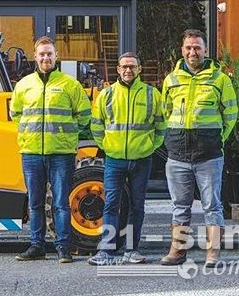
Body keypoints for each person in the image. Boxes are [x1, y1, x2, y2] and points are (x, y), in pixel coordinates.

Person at [10, 36, 91, 264]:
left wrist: (66, 135)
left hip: (61, 154)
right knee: (35, 203)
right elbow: (15, 114)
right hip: (32, 152)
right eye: (42, 54)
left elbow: (84, 115)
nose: (46, 57)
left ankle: (63, 247)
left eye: (49, 54)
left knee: (61, 203)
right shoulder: (24, 85)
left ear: (56, 56)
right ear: (35, 57)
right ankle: (37, 245)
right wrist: (30, 134)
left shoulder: (70, 85)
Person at [160, 29, 238, 267]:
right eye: (188, 47)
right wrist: (173, 138)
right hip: (178, 155)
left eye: (197, 47)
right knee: (179, 207)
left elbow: (231, 114)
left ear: (205, 50)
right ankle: (177, 251)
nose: (192, 52)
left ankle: (212, 253)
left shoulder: (220, 79)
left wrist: (216, 138)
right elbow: (165, 112)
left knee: (212, 206)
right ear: (182, 50)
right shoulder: (171, 80)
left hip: (209, 155)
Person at [87, 52, 166, 266]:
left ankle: (132, 250)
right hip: (114, 160)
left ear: (139, 69)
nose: (128, 70)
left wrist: (149, 147)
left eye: (132, 66)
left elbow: (161, 127)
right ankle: (106, 251)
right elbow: (96, 126)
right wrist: (107, 147)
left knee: (137, 206)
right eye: (124, 66)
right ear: (118, 69)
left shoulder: (151, 94)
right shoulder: (106, 95)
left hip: (142, 159)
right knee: (111, 204)